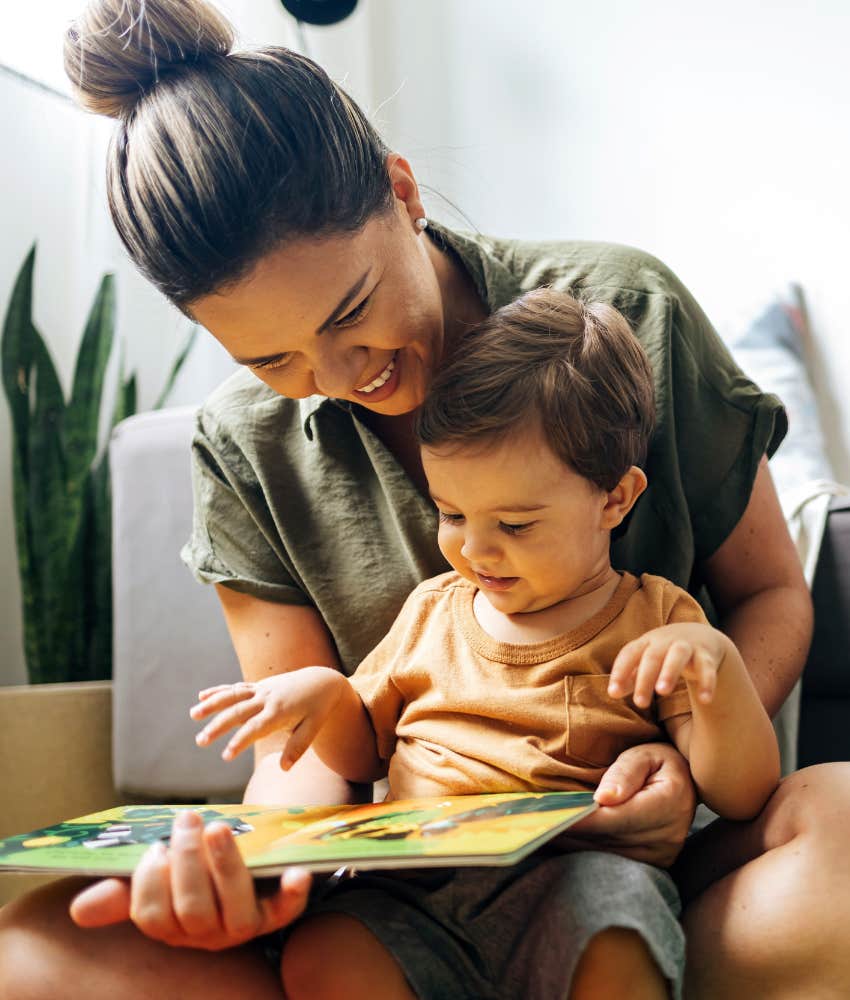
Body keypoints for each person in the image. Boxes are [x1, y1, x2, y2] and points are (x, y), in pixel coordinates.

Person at [0, 0, 845, 997]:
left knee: (837, 817)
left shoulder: (626, 314)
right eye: (271, 356)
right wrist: (277, 865)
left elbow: (769, 594)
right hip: (410, 889)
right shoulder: (242, 443)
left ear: (402, 193)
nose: (337, 372)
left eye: (351, 311)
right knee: (39, 944)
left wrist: (687, 768)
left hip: (636, 853)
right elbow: (308, 746)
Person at [190, 287, 782, 1000]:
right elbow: (365, 752)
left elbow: (742, 793)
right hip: (415, 886)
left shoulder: (658, 621)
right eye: (452, 513)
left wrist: (716, 669)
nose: (475, 549)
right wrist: (324, 699)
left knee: (619, 938)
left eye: (516, 525)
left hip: (576, 878)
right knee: (325, 951)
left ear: (615, 500)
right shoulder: (432, 612)